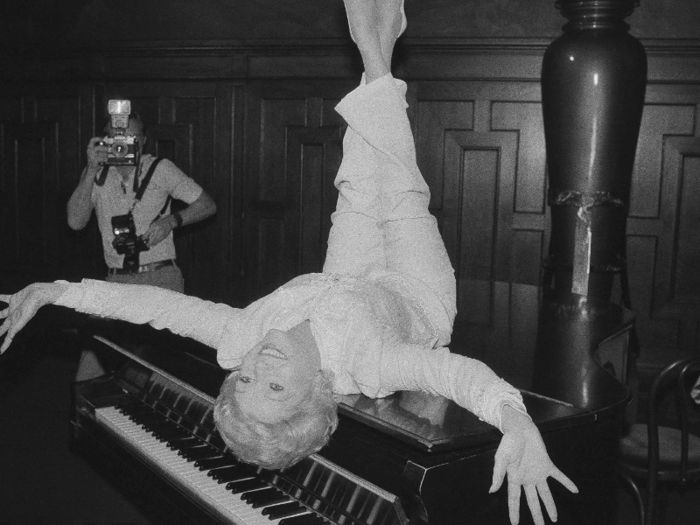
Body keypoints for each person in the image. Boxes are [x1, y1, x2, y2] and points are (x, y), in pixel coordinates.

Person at [1, 1, 578, 523]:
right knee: (402, 189)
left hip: (342, 277)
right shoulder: (369, 362)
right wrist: (517, 419)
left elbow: (155, 307)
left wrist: (57, 290)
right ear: (314, 393)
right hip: (413, 292)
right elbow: (459, 376)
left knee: (354, 182)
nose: (261, 363)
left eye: (247, 378)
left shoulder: (242, 336)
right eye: (275, 385)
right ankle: (377, 54)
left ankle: (377, 55)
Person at [67, 109, 217, 379]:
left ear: (143, 140)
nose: (123, 142)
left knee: (150, 373)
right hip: (116, 282)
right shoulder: (97, 176)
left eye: (131, 136)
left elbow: (207, 204)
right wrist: (90, 168)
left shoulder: (160, 169)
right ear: (104, 140)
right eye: (115, 136)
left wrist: (172, 220)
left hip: (159, 278)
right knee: (90, 372)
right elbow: (75, 222)